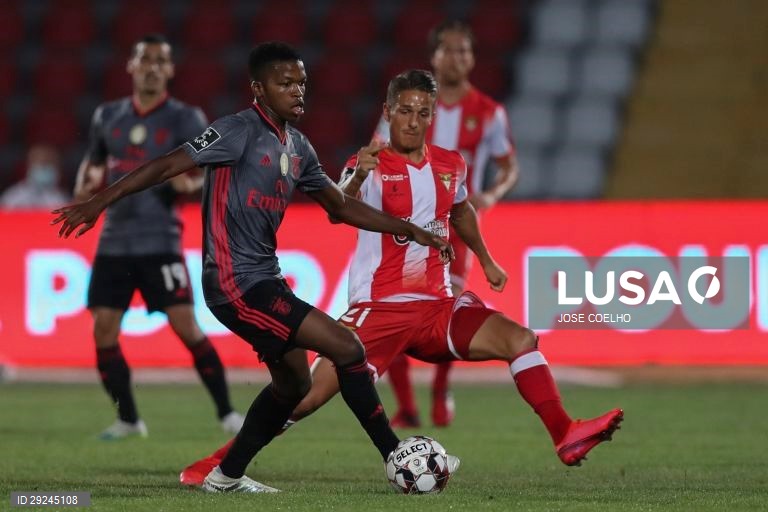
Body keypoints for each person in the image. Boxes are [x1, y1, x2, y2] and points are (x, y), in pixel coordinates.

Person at [177, 70, 623, 487]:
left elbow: (461, 209)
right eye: (404, 111)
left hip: (436, 307)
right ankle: (218, 464)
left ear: (432, 114)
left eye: (422, 112)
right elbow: (340, 206)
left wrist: (486, 260)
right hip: (378, 311)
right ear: (388, 112)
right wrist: (356, 179)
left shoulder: (451, 165)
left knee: (521, 339)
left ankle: (565, 433)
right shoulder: (369, 162)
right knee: (306, 397)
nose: (413, 120)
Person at [53, 43, 456, 493]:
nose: (297, 92)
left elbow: (339, 207)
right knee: (347, 348)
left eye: (301, 83)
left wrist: (410, 229)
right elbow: (167, 165)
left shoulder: (298, 146)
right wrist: (98, 203)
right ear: (258, 90)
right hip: (233, 283)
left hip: (264, 280)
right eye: (285, 84)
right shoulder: (236, 131)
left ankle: (226, 476)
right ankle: (395, 455)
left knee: (293, 386)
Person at [71, 34, 244, 439]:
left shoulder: (186, 118)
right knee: (103, 329)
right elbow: (93, 162)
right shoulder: (107, 116)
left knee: (186, 325)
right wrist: (84, 184)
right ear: (131, 66)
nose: (151, 66)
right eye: (144, 59)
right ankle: (128, 419)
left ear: (170, 70)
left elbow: (209, 170)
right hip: (114, 240)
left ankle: (227, 412)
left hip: (160, 240)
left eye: (160, 60)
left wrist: (188, 186)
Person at [374, 20, 520, 428]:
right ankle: (407, 405)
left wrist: (490, 194)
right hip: (405, 221)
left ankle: (440, 389)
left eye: (464, 51)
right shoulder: (412, 106)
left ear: (472, 58)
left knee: (445, 308)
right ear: (434, 55)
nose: (457, 58)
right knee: (399, 310)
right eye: (449, 50)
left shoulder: (489, 113)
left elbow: (509, 167)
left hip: (454, 224)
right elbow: (377, 150)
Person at [0, 144, 69, 209]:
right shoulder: (12, 197)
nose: (44, 167)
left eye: (49, 163)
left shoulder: (62, 199)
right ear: (28, 165)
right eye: (41, 163)